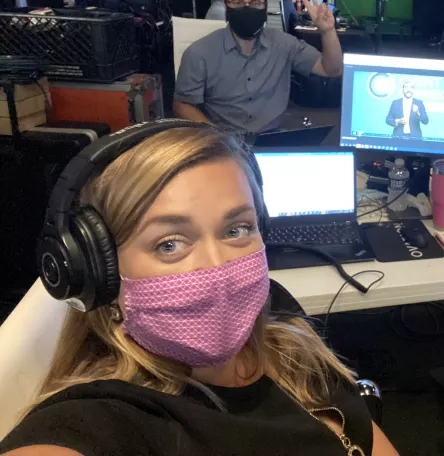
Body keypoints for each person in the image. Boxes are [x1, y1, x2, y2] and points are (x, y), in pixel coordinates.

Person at [0, 123, 399, 456]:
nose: (217, 266)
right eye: (169, 244)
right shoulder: (106, 419)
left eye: (236, 229)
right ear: (100, 272)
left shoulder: (277, 316)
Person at [173, 0, 342, 135]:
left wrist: (327, 31)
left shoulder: (284, 44)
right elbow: (183, 105)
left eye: (255, 3)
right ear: (226, 7)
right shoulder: (199, 52)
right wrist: (217, 138)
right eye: (237, 2)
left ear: (265, 6)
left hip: (272, 139)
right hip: (222, 140)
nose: (247, 8)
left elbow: (332, 69)